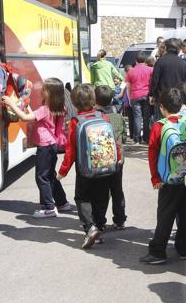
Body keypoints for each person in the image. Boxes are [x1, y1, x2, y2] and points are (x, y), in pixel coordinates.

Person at [57, 84, 122, 249]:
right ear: (94, 100)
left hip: (85, 170)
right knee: (101, 198)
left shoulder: (76, 122)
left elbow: (70, 150)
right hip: (106, 166)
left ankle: (90, 228)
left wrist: (63, 171)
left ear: (75, 104)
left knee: (82, 198)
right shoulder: (103, 117)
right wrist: (118, 158)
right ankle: (99, 227)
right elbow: (114, 141)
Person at [140, 88, 186, 264]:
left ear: (162, 107)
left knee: (165, 216)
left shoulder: (159, 126)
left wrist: (155, 178)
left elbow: (152, 154)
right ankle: (183, 248)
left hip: (168, 180)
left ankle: (157, 252)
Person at [1, 78, 70, 218]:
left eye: (44, 89)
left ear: (50, 93)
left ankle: (48, 207)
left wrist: (10, 103)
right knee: (50, 176)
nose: (41, 90)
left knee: (42, 177)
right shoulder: (60, 108)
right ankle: (62, 203)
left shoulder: (44, 110)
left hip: (44, 147)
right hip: (52, 145)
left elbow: (25, 118)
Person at [95, 85, 127, 230]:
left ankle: (100, 222)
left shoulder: (96, 117)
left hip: (102, 160)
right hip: (118, 160)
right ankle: (120, 220)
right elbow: (124, 137)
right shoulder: (119, 117)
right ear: (112, 100)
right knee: (117, 190)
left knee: (101, 192)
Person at [149, 38, 186, 117]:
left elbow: (154, 80)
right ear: (178, 49)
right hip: (177, 98)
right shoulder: (183, 63)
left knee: (160, 123)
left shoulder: (160, 61)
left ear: (166, 48)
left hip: (161, 98)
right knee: (176, 122)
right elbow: (185, 82)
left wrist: (151, 94)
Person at [125, 52, 153, 144]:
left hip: (135, 96)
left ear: (136, 61)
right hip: (146, 95)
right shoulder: (150, 70)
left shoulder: (131, 71)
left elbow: (128, 86)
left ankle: (137, 138)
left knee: (137, 117)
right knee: (146, 117)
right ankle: (146, 137)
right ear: (145, 60)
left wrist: (129, 98)